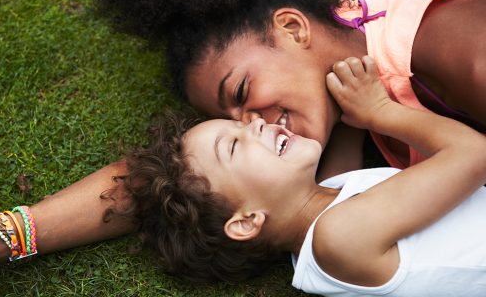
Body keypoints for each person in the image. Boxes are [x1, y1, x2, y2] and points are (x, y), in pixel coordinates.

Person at [0, 0, 486, 295]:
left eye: (240, 96)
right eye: (231, 124)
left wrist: (375, 115)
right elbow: (182, 186)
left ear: (291, 27)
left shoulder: (465, 62)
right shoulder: (331, 98)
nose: (255, 125)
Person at [122, 56, 486, 295]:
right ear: (247, 221)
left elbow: (344, 145)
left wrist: (334, 83)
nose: (256, 125)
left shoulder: (323, 213)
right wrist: (377, 110)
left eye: (242, 125)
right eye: (233, 145)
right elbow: (473, 154)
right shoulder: (339, 238)